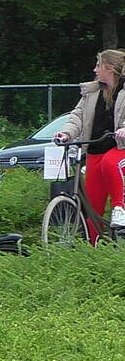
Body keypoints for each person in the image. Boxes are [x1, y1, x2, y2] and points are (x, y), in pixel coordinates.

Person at [53, 49, 125, 233]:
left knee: (110, 163)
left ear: (109, 68)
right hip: (94, 150)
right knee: (92, 206)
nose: (95, 70)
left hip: (119, 147)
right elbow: (77, 116)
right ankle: (92, 247)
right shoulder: (91, 93)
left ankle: (120, 208)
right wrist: (66, 134)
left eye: (98, 65)